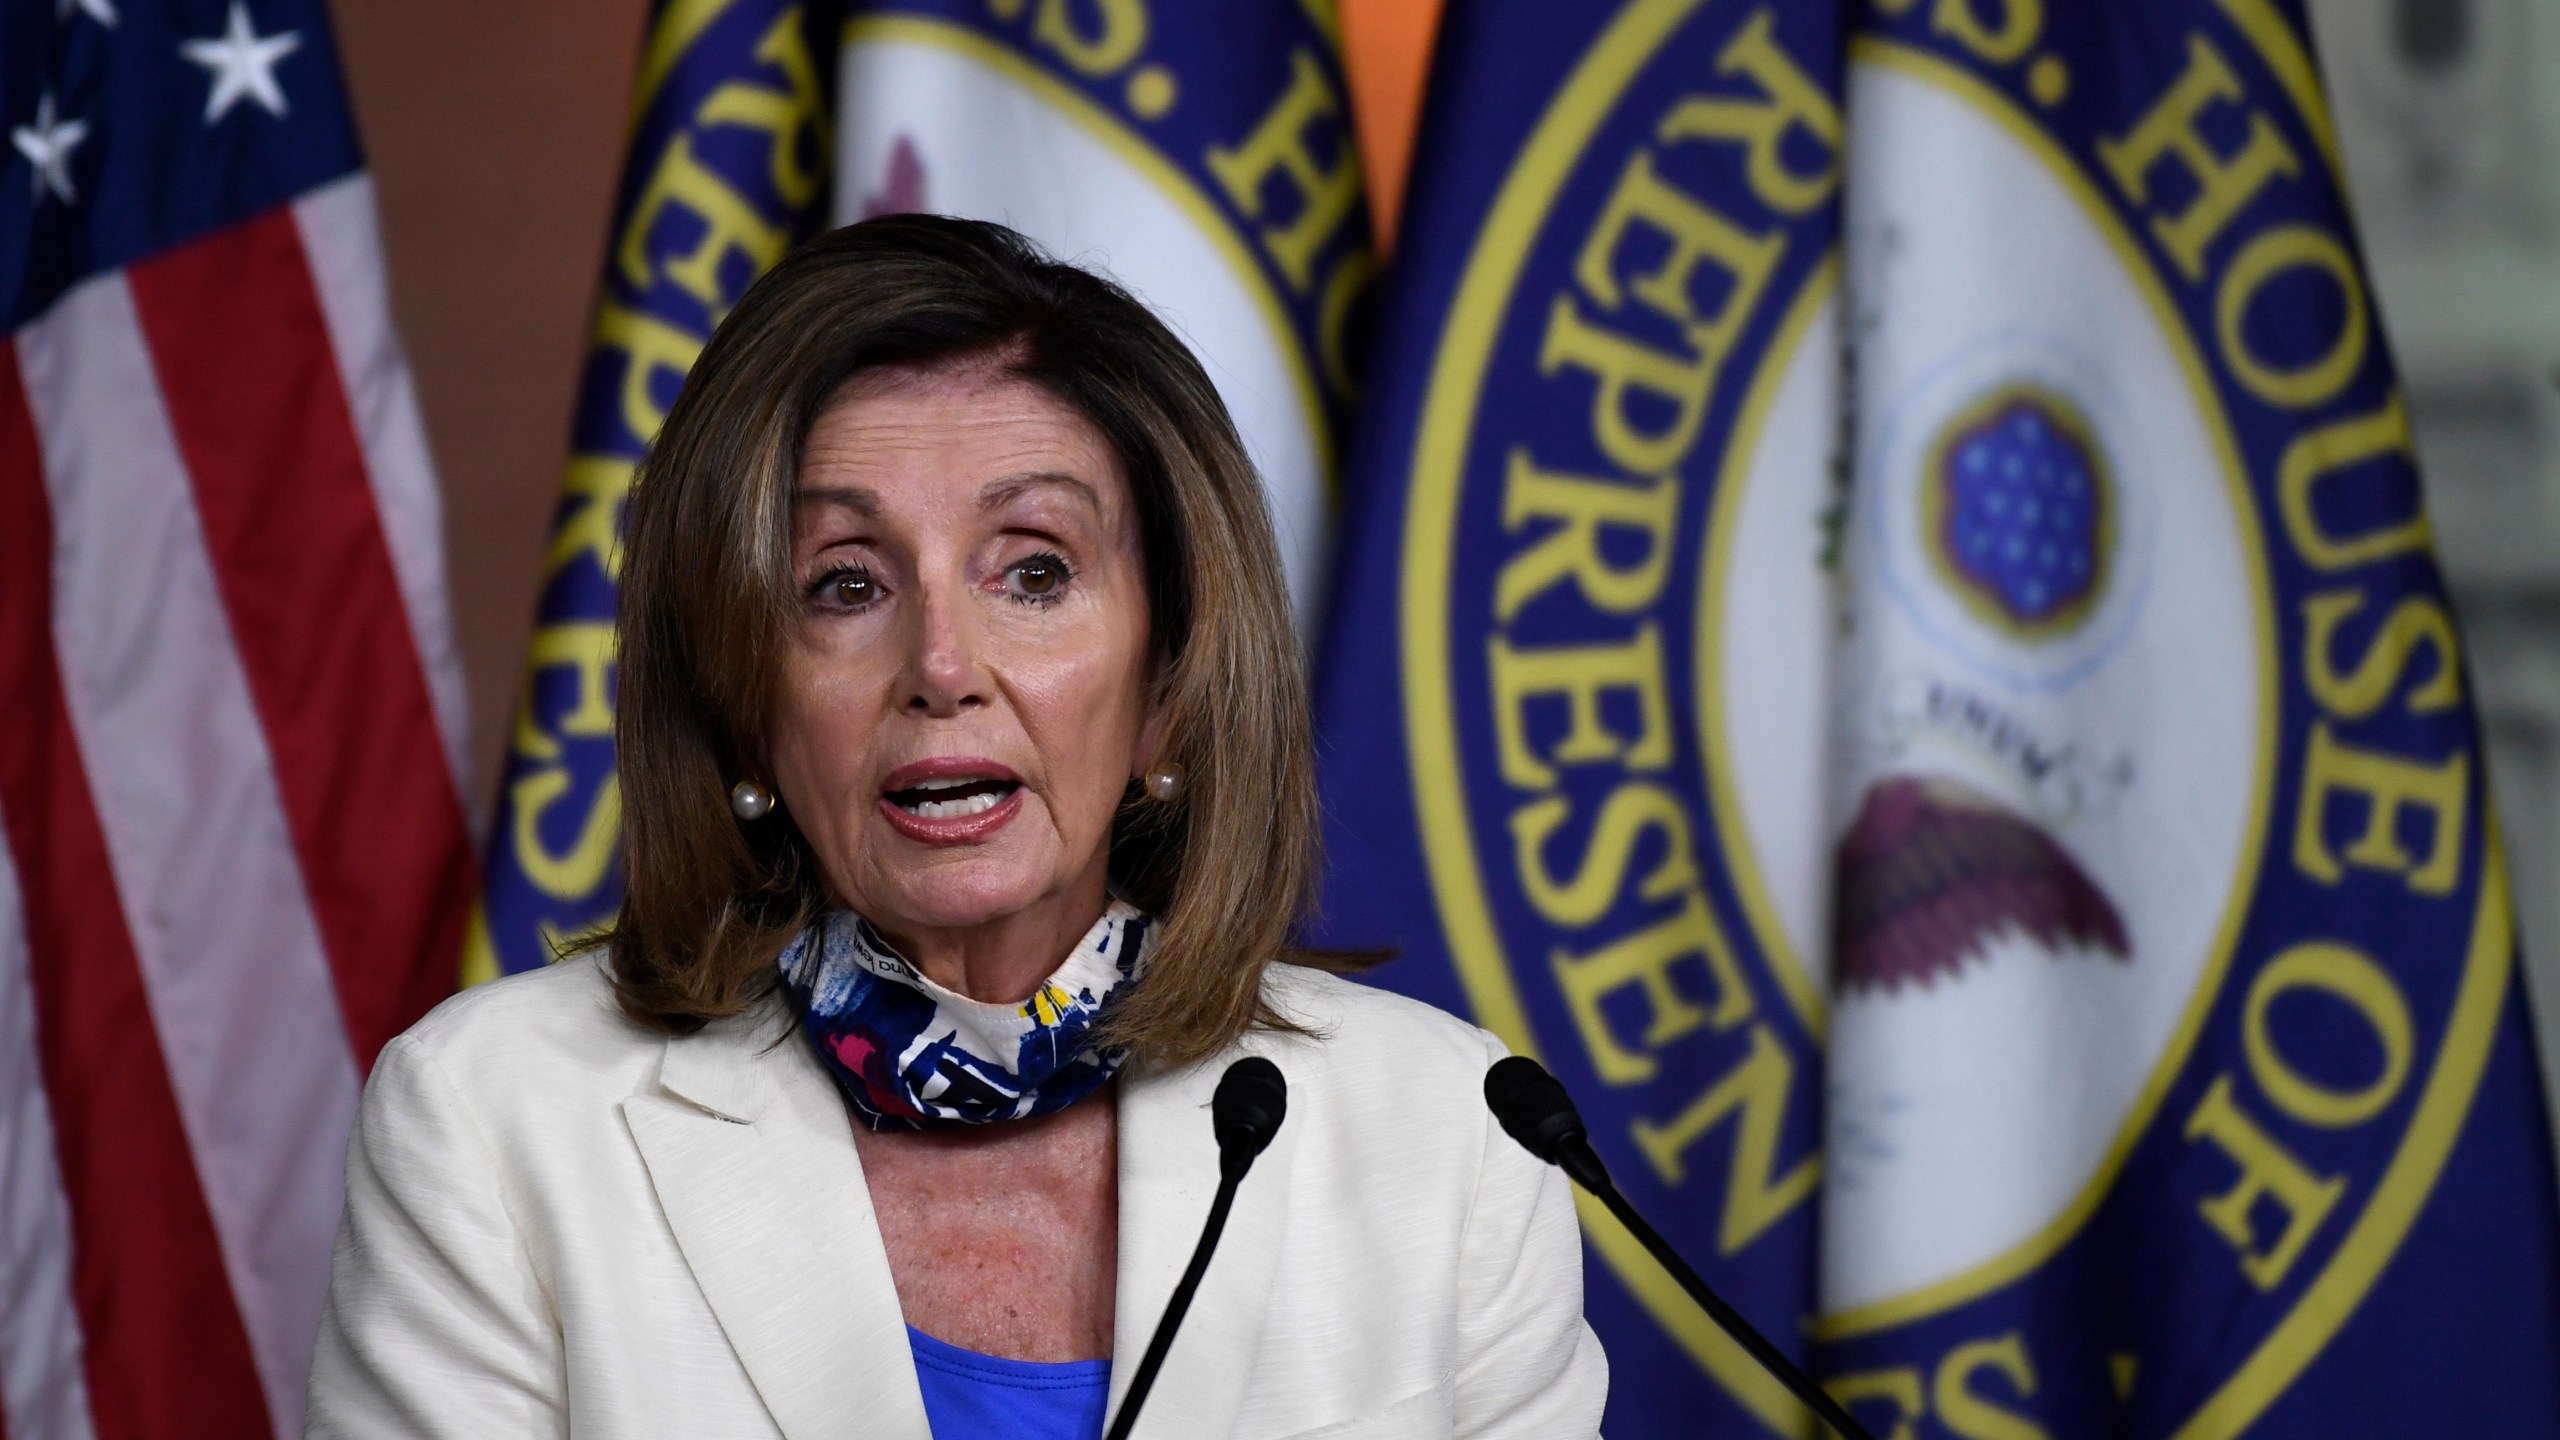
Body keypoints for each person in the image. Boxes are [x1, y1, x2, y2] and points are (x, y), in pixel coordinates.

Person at [305, 214, 1607, 1438]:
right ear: (743, 703)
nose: (942, 664)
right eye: (846, 585)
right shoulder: (495, 1125)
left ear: (1169, 690)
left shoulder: (1452, 1142)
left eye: (1033, 571)